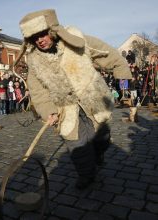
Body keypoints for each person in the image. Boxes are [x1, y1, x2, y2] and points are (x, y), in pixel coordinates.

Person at [17, 9, 132, 189]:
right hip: (65, 108)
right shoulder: (34, 61)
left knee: (101, 137)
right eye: (34, 37)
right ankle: (86, 175)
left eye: (42, 34)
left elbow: (107, 53)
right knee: (76, 144)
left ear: (52, 30)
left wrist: (121, 72)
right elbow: (38, 92)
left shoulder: (78, 41)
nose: (40, 40)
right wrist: (49, 111)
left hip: (93, 99)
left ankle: (99, 152)